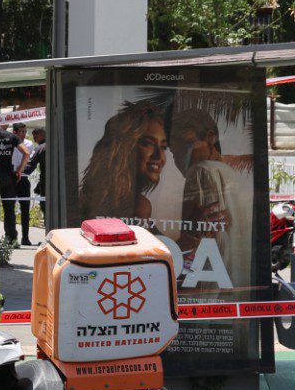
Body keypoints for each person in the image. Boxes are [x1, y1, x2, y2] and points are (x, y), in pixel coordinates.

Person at [171, 107, 249, 273]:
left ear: (211, 138)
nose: (179, 155)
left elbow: (204, 257)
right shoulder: (229, 173)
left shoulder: (201, 171)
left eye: (188, 144)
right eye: (173, 149)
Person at [79, 100, 168, 224]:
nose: (159, 156)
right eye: (148, 143)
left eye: (163, 147)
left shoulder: (89, 196)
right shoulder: (139, 206)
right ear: (124, 148)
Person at [0, 123, 30, 247]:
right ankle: (11, 239)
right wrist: (19, 171)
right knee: (9, 209)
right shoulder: (11, 136)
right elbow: (26, 153)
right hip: (7, 176)